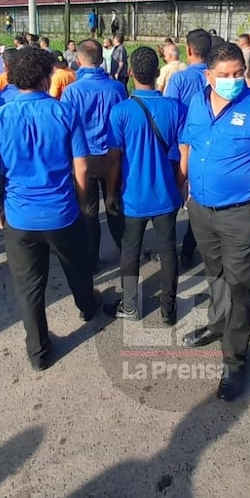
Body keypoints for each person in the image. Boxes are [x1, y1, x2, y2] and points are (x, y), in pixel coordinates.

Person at [179, 40, 250, 402]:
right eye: (224, 75)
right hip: (201, 211)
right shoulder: (196, 102)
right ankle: (216, 323)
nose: (232, 81)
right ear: (208, 76)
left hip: (241, 214)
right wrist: (188, 188)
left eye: (238, 74)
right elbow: (187, 143)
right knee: (215, 274)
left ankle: (234, 360)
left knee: (239, 286)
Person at [0, 48, 99, 370]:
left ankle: (39, 352)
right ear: (47, 77)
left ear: (12, 78)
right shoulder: (64, 113)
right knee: (77, 266)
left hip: (19, 216)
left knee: (29, 287)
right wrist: (84, 203)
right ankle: (87, 307)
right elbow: (82, 168)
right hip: (62, 212)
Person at [102, 47, 185, 323]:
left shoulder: (121, 112)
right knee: (168, 250)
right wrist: (181, 184)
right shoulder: (176, 108)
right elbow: (185, 152)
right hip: (166, 195)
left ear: (131, 73)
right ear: (157, 70)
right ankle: (168, 309)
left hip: (132, 196)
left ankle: (130, 305)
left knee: (130, 251)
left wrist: (111, 193)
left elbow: (114, 160)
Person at [61, 39, 128, 264]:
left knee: (88, 210)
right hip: (113, 155)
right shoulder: (117, 88)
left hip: (84, 157)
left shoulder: (71, 91)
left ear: (78, 60)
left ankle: (91, 258)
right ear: (102, 59)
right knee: (115, 203)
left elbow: (66, 127)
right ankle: (126, 250)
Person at [164, 29, 211, 268]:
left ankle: (170, 248)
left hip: (179, 149)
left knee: (174, 198)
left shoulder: (180, 80)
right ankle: (190, 247)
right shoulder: (216, 78)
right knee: (199, 201)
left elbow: (170, 114)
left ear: (189, 50)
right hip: (208, 151)